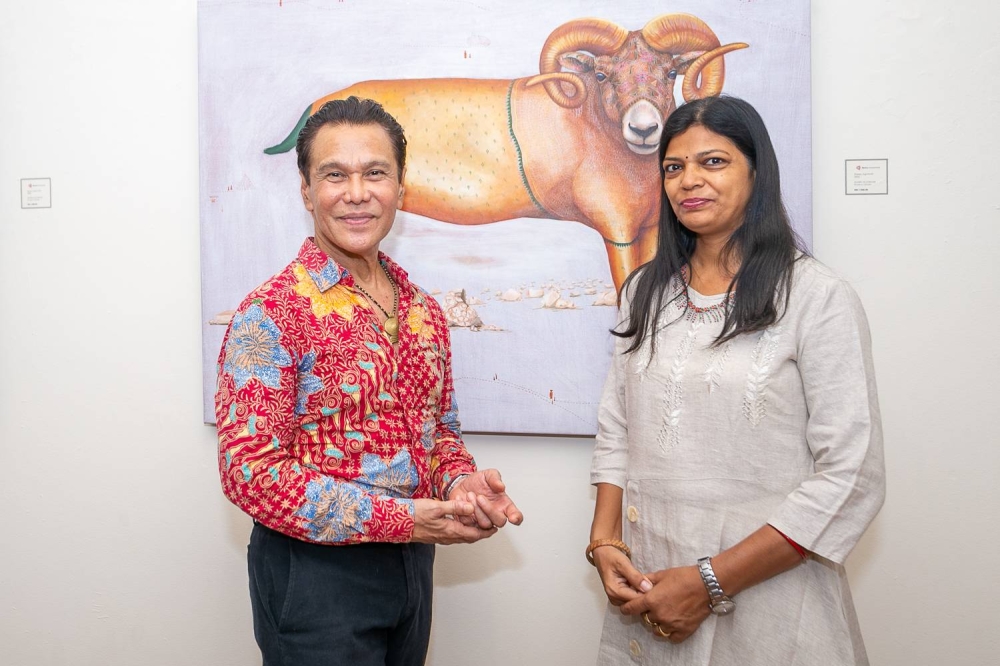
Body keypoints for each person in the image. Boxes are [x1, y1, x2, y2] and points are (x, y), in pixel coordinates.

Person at [215, 96, 523, 666]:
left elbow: (440, 430)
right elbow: (249, 472)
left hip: (412, 563)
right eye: (335, 175)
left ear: (400, 190)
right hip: (313, 575)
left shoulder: (423, 310)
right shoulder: (271, 312)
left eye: (375, 173)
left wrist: (459, 484)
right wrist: (402, 519)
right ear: (307, 191)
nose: (357, 193)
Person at [588, 96, 885, 665]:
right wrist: (603, 543)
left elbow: (853, 475)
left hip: (773, 590)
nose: (688, 181)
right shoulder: (644, 292)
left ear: (757, 171)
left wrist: (707, 582)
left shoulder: (816, 298)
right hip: (651, 583)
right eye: (673, 168)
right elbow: (617, 429)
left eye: (713, 162)